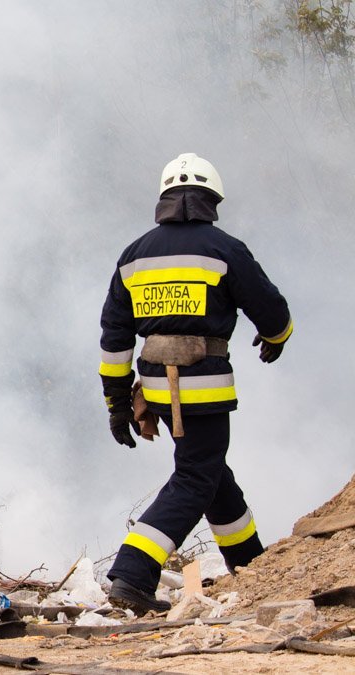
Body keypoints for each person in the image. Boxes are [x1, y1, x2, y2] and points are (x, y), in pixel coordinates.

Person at [98, 152, 292, 614]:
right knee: (196, 475)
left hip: (158, 391)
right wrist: (275, 338)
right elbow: (271, 310)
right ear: (210, 199)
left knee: (211, 474)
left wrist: (117, 403)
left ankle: (250, 566)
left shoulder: (134, 255)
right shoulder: (224, 249)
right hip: (204, 387)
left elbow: (115, 336)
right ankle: (132, 571)